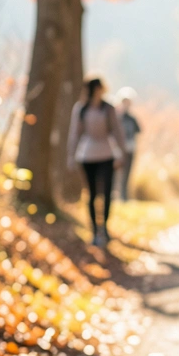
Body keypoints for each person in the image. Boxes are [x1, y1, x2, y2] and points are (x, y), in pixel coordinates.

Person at [66, 78, 125, 247]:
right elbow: (75, 134)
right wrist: (71, 156)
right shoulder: (81, 109)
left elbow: (117, 130)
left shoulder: (108, 108)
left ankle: (104, 227)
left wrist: (121, 152)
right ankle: (94, 230)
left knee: (106, 193)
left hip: (107, 154)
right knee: (92, 194)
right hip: (88, 156)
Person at [115, 87, 141, 202]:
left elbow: (138, 130)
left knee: (127, 174)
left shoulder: (132, 118)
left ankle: (124, 196)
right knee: (117, 175)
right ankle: (116, 195)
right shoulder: (116, 117)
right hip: (118, 150)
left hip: (130, 149)